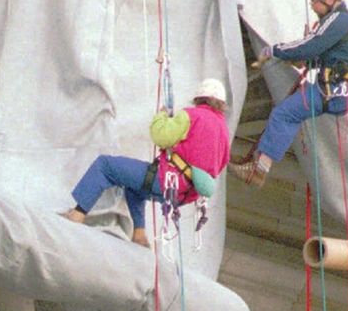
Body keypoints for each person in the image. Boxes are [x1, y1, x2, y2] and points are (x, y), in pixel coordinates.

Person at [231, 0, 348, 187]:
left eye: (315, 1)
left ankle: (259, 169)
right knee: (288, 113)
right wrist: (310, 62)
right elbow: (327, 54)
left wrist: (274, 50)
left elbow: (310, 46)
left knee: (284, 114)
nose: (312, 6)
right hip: (339, 89)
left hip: (335, 90)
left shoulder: (338, 20)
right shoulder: (345, 21)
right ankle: (258, 165)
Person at [65, 79, 232, 247]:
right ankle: (139, 235)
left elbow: (161, 137)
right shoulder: (224, 132)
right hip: (184, 194)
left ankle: (77, 214)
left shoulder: (192, 115)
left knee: (105, 166)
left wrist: (161, 116)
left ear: (199, 99)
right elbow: (219, 164)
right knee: (135, 187)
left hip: (166, 180)